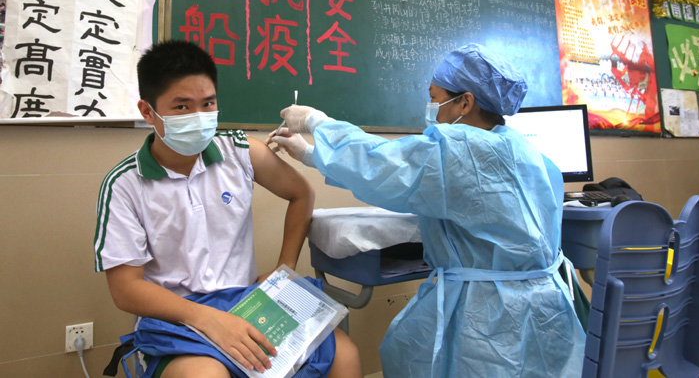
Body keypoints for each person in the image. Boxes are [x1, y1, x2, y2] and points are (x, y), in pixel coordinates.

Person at [268, 43, 586, 377]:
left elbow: (380, 165)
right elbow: (416, 179)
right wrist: (308, 154)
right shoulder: (528, 151)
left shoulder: (462, 149)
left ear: (466, 101)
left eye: (435, 98)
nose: (432, 107)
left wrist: (315, 122)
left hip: (492, 322)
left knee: (415, 353)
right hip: (549, 315)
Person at [94, 40, 361, 378]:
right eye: (182, 107)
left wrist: (284, 269)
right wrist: (210, 320)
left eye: (208, 104)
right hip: (178, 320)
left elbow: (301, 194)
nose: (199, 117)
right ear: (149, 112)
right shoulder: (125, 184)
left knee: (345, 356)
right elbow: (126, 288)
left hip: (249, 305)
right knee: (207, 375)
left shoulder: (239, 151)